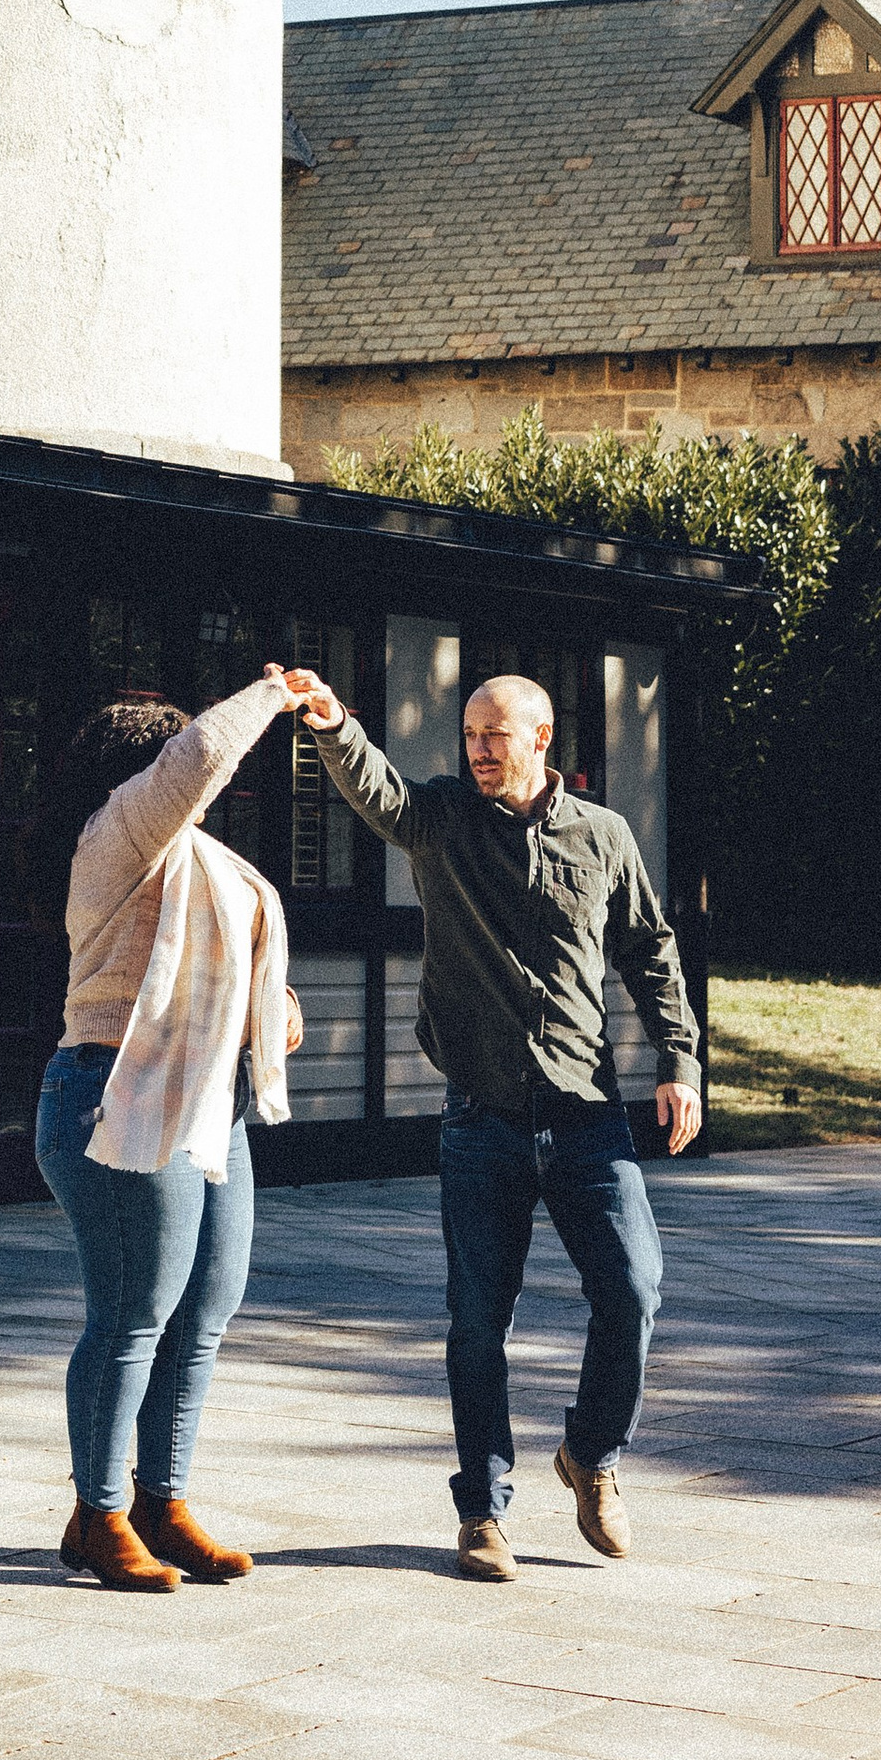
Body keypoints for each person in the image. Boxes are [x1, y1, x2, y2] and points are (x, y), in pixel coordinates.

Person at [279, 662, 700, 1581]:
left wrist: (681, 1061)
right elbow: (381, 795)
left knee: (632, 1289)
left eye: (494, 736)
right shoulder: (442, 820)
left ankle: (592, 1455)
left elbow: (651, 950)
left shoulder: (603, 836)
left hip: (587, 1115)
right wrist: (331, 723)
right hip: (481, 1118)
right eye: (469, 734)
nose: (476, 749)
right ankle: (482, 1510)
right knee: (478, 1320)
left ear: (542, 742)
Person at [29, 669, 304, 1590]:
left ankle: (161, 1501)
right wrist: (272, 694)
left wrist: (278, 1009)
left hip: (207, 1104)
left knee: (204, 1312)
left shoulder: (196, 860)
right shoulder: (117, 836)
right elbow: (200, 759)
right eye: (166, 765)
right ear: (138, 774)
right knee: (132, 1316)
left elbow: (232, 974)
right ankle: (98, 1514)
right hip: (112, 1098)